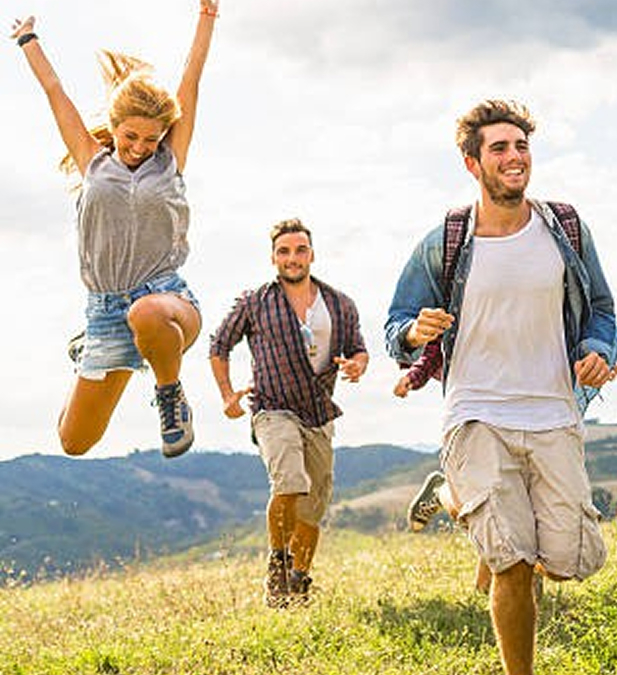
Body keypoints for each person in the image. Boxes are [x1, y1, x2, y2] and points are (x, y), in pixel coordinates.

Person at [385, 100, 617, 675]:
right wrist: (414, 332)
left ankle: (448, 494)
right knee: (512, 562)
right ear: (472, 163)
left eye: (521, 146)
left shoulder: (564, 228)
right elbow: (395, 324)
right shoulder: (444, 240)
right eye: (500, 148)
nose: (514, 157)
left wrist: (597, 350)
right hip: (476, 415)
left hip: (554, 413)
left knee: (567, 561)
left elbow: (603, 309)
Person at [10, 3, 218, 458]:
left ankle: (170, 398)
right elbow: (54, 91)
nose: (142, 148)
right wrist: (28, 40)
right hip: (105, 312)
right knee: (73, 441)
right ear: (115, 126)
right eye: (131, 137)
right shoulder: (92, 161)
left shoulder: (170, 161)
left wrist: (207, 15)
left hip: (168, 303)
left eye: (152, 139)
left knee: (144, 312)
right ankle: (88, 348)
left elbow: (192, 78)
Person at [209, 218, 369, 608]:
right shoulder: (255, 301)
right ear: (273, 258)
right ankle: (277, 569)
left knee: (313, 507)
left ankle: (299, 582)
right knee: (290, 483)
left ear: (311, 254)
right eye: (284, 251)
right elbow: (219, 346)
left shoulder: (339, 303)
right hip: (272, 408)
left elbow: (360, 349)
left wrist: (357, 365)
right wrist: (228, 395)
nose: (292, 258)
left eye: (300, 250)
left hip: (318, 412)